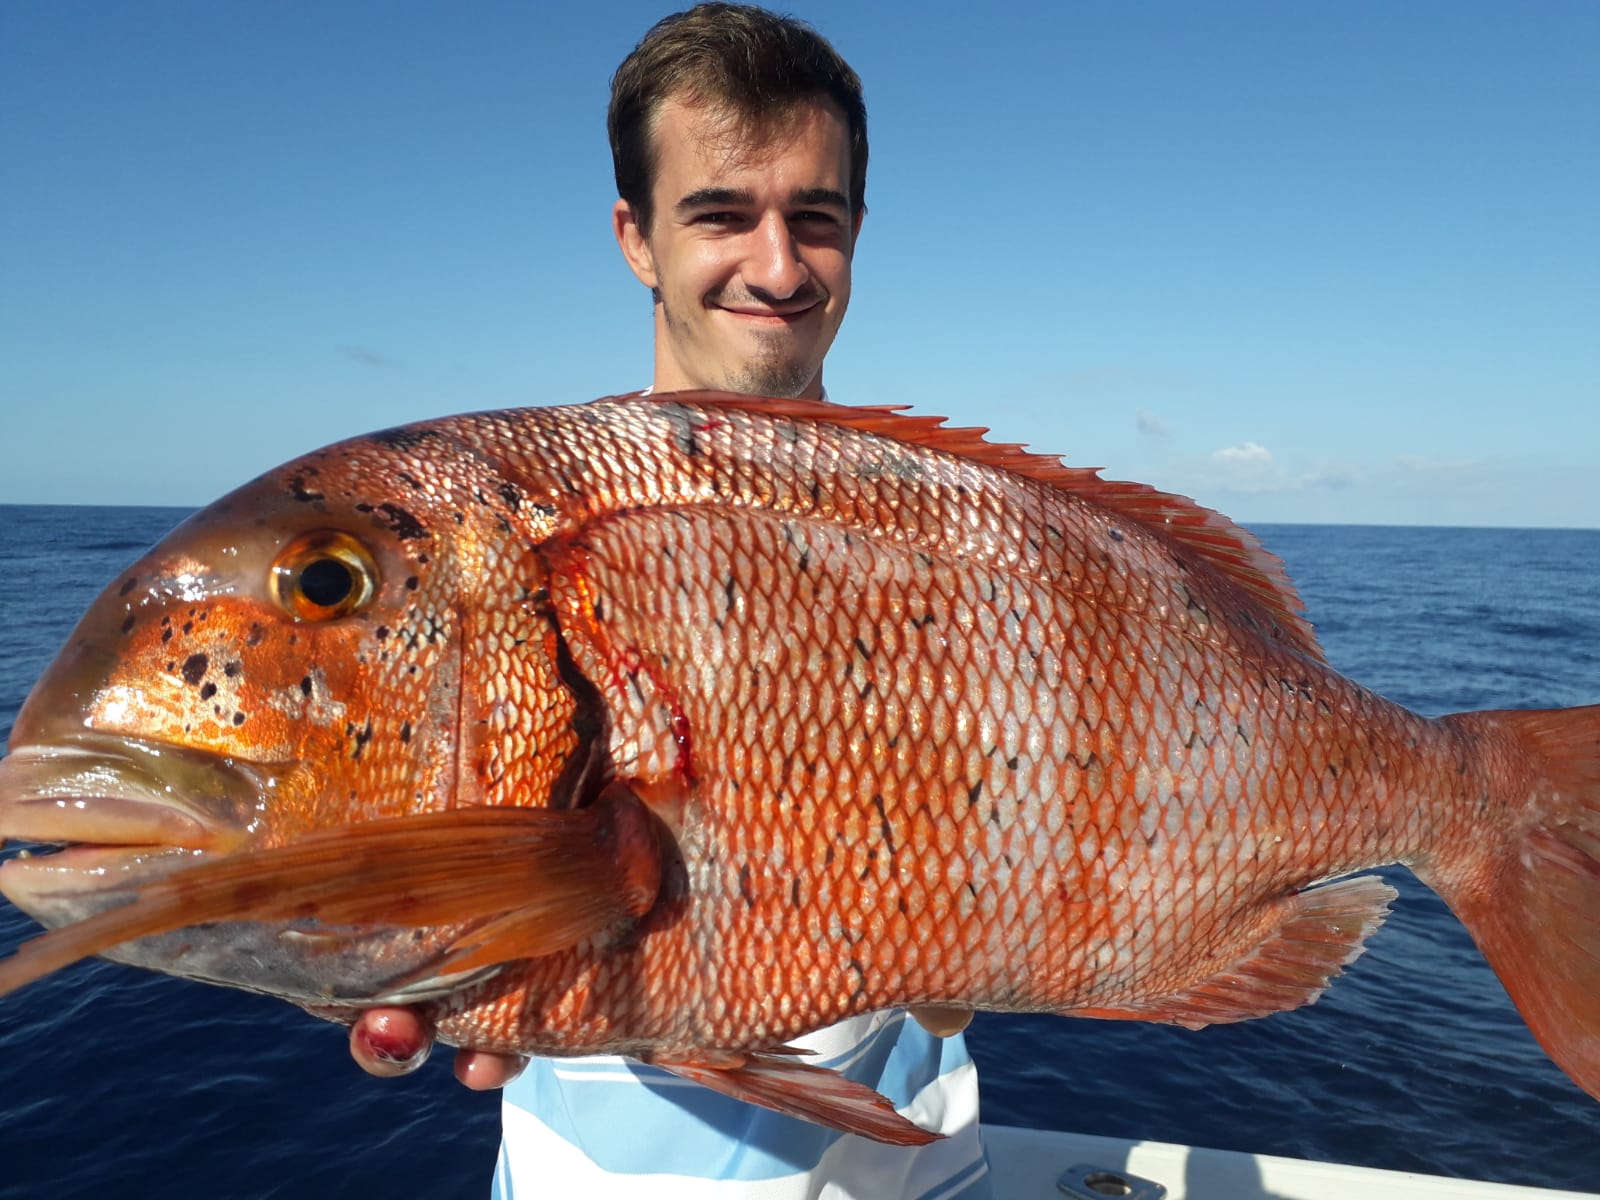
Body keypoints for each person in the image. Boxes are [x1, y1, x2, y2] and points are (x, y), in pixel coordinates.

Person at [348, 6, 992, 1197]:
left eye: (816, 217)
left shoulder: (953, 538)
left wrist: (995, 939)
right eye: (719, 214)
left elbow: (995, 923)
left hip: (909, 1159)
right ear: (634, 237)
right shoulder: (539, 535)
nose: (779, 264)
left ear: (857, 231)